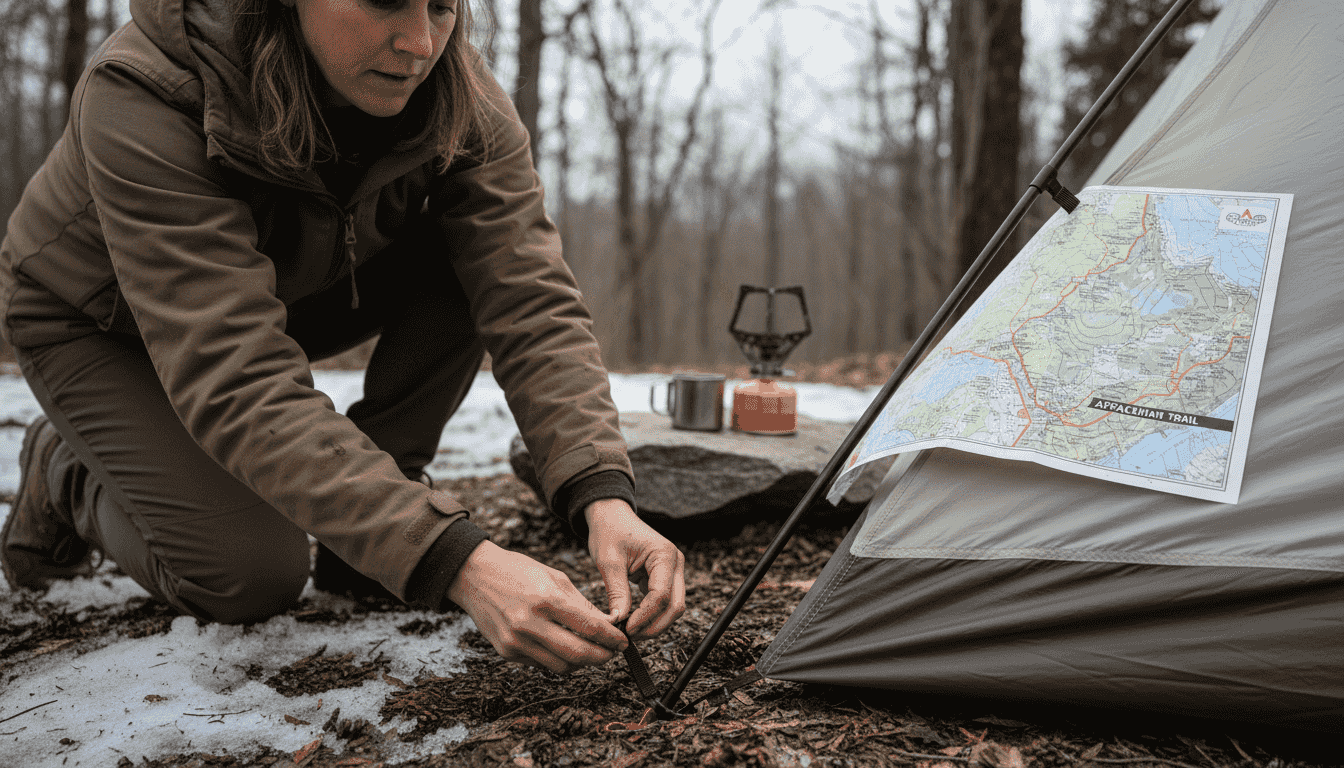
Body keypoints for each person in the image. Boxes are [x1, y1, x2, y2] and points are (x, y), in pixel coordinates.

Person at [0, 0, 685, 674]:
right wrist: (456, 560)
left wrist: (602, 494)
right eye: (384, 1)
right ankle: (63, 469)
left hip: (280, 294)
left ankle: (379, 516)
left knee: (473, 258)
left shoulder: (456, 89)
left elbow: (527, 292)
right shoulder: (148, 89)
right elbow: (237, 375)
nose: (419, 43)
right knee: (250, 575)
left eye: (441, 7)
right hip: (99, 323)